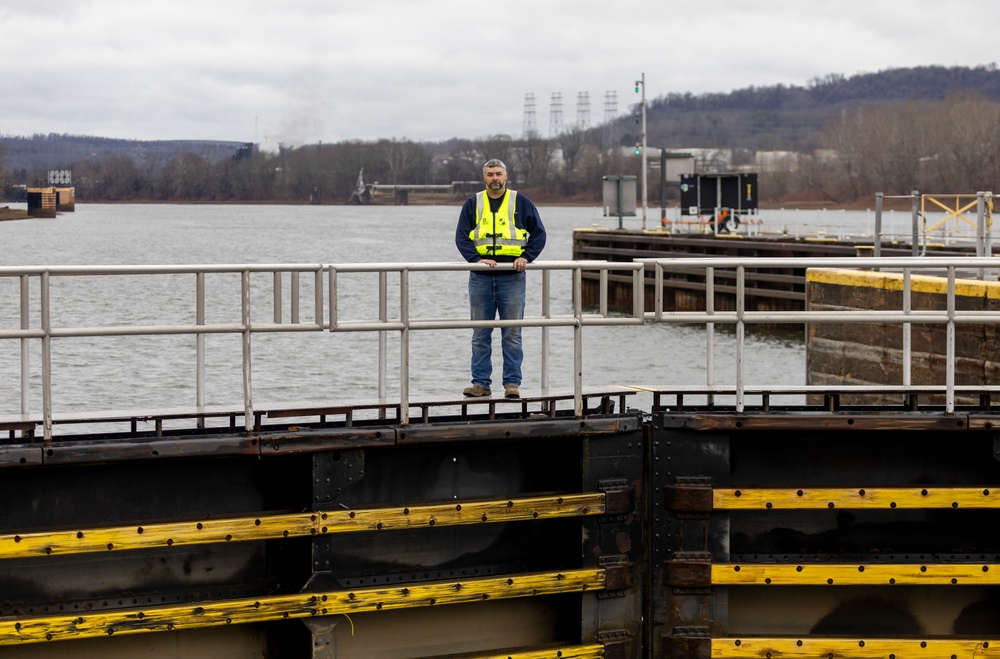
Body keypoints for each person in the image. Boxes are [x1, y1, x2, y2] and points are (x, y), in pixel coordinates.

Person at [455, 159, 546, 399]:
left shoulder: (520, 202)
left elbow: (539, 233)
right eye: (490, 174)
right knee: (480, 333)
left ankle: (512, 385)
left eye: (498, 174)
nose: (494, 178)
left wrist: (526, 256)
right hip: (481, 278)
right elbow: (461, 237)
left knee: (513, 333)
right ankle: (480, 384)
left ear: (506, 176)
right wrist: (476, 258)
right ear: (483, 178)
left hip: (512, 278)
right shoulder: (473, 203)